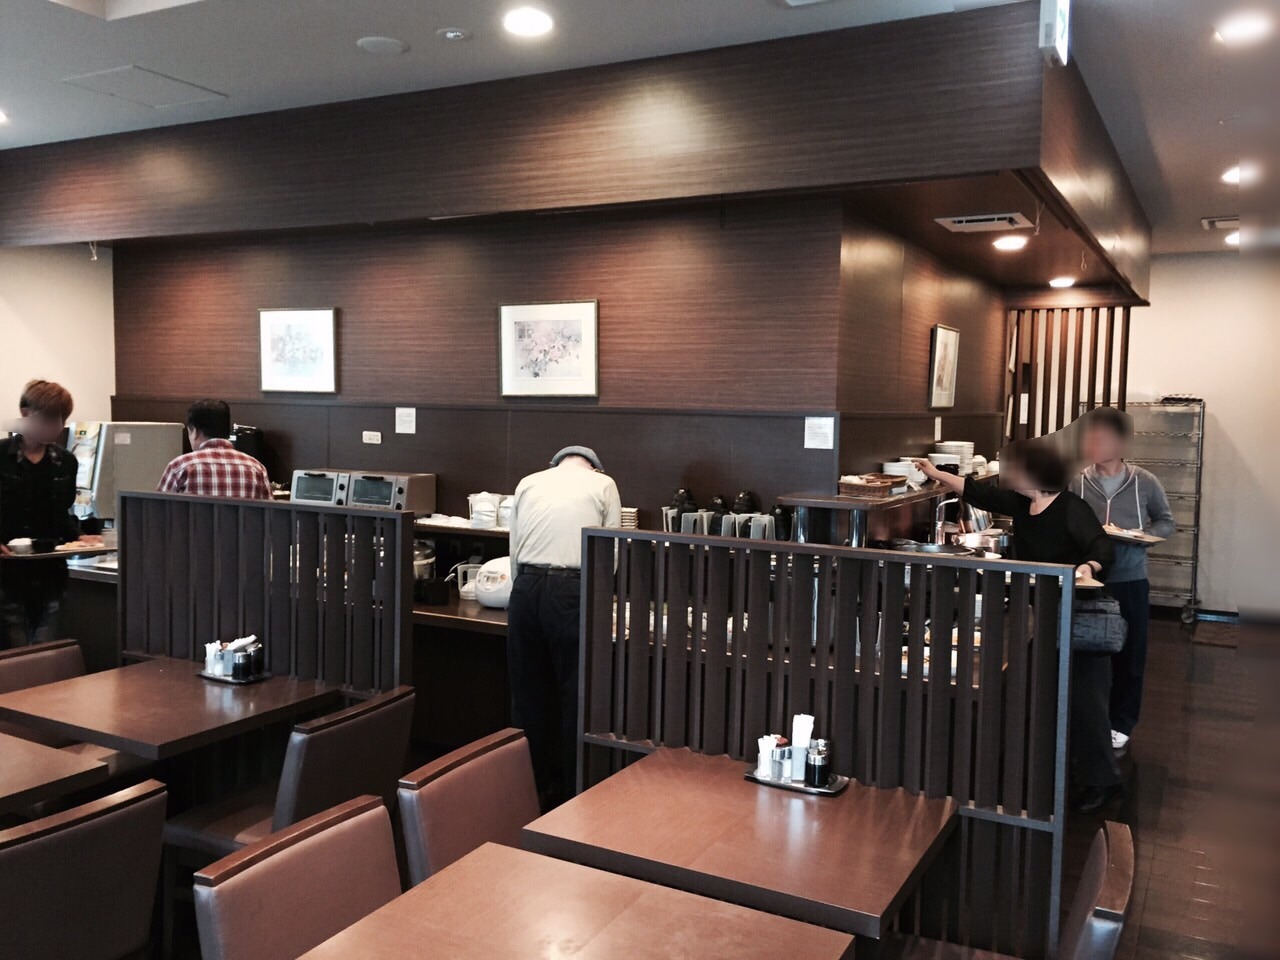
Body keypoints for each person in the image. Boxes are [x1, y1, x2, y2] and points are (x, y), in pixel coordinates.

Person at [915, 441, 1122, 813]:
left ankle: (1103, 782)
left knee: (1087, 703)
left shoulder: (1070, 507)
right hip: (1045, 615)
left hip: (1079, 615)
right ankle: (1054, 770)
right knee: (1045, 695)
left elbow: (1102, 548)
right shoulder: (1024, 505)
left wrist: (1086, 567)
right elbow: (977, 492)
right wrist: (934, 473)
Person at [507, 445, 622, 810]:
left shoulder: (528, 482)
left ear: (554, 464)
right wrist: (601, 604)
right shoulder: (603, 484)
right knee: (576, 693)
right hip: (573, 591)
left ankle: (531, 792)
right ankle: (575, 794)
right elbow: (610, 553)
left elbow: (514, 547)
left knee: (527, 695)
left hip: (526, 588)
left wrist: (522, 593)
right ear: (594, 467)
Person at [1073, 407, 1175, 755]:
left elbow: (1166, 521)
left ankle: (1122, 721)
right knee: (1087, 652)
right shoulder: (1078, 481)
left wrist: (1142, 536)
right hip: (1089, 578)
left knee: (1131, 654)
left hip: (1131, 577)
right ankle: (1086, 717)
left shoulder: (1144, 481)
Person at [0, 380, 92, 647]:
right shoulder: (1, 456)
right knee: (15, 651)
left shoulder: (66, 461)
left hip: (50, 571)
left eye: (62, 418)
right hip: (7, 572)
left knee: (44, 649)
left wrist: (79, 536)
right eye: (49, 418)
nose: (57, 425)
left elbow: (61, 513)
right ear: (25, 413)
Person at [157, 400, 271, 500]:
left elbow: (158, 510)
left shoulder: (179, 467)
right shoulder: (257, 468)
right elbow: (269, 513)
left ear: (194, 432)